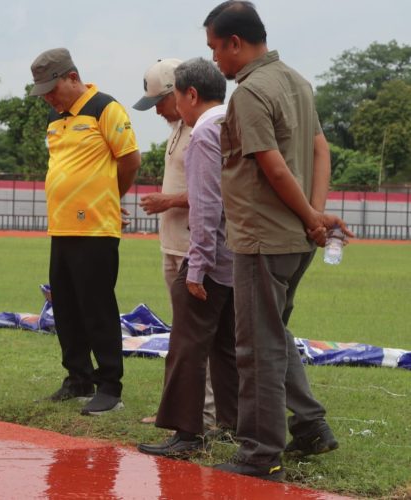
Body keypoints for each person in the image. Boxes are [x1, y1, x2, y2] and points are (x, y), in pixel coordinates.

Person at [203, 1, 353, 481]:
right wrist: (315, 214)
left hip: (264, 237)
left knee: (257, 347)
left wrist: (312, 215)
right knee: (276, 335)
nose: (214, 63)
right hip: (294, 238)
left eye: (214, 50)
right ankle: (309, 426)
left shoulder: (249, 93)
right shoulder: (296, 82)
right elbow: (319, 148)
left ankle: (260, 453)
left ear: (235, 44)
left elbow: (271, 163)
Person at [29, 48, 141, 415]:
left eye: (52, 87)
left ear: (73, 77)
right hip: (60, 228)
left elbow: (129, 160)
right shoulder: (54, 118)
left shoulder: (105, 108)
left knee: (97, 308)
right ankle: (78, 377)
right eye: (42, 90)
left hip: (95, 229)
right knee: (66, 308)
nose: (47, 96)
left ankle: (110, 385)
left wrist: (110, 196)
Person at [137, 57, 238, 458]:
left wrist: (196, 267)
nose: (175, 108)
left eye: (176, 98)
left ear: (190, 94)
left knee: (187, 345)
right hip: (236, 256)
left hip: (209, 257)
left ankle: (186, 433)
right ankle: (230, 424)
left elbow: (207, 206)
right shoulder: (232, 123)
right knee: (226, 347)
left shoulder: (203, 134)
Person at [133, 59, 217, 429]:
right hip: (172, 244)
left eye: (159, 103)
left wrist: (168, 201)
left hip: (193, 249)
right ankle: (176, 409)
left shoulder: (203, 127)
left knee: (200, 338)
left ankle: (208, 414)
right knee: (181, 336)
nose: (157, 112)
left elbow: (213, 193)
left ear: (180, 94)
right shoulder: (177, 128)